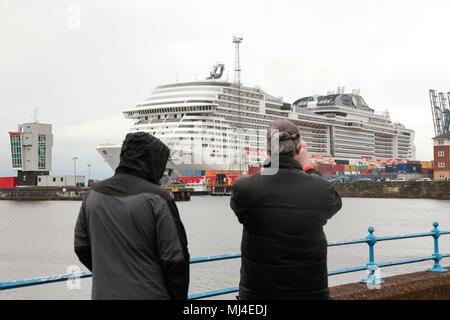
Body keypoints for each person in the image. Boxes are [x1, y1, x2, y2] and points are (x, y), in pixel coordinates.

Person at [230, 119, 342, 300]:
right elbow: (335, 202)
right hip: (310, 293)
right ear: (298, 150)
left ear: (268, 150)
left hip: (257, 295)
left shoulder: (244, 188)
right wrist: (308, 167)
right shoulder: (321, 189)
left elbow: (241, 210)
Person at [74, 132, 190, 300]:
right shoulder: (158, 198)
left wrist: (109, 271)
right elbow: (175, 260)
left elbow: (81, 247)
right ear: (154, 162)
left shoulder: (93, 194)